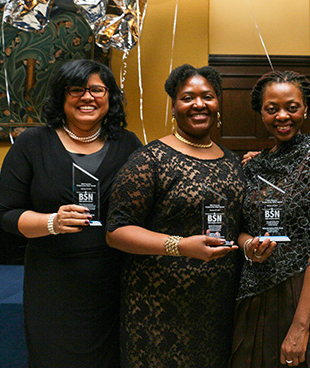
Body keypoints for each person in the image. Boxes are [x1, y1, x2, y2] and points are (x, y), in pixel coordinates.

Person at [0, 59, 142, 367]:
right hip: (52, 279)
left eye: (97, 89)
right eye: (76, 89)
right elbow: (8, 215)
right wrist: (52, 222)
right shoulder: (31, 143)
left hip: (113, 279)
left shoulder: (127, 144)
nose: (87, 97)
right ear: (61, 96)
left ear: (110, 96)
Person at [105, 64, 245, 368]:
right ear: (174, 106)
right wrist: (179, 246)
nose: (199, 104)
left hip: (217, 307)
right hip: (158, 308)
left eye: (207, 96)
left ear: (218, 103)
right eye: (187, 97)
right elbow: (116, 231)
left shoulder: (233, 161)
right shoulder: (150, 159)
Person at [230, 70, 310, 368]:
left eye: (292, 107)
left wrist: (300, 326)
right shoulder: (254, 163)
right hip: (257, 293)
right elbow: (241, 229)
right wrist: (248, 246)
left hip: (305, 294)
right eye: (272, 109)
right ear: (261, 112)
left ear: (305, 108)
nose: (283, 116)